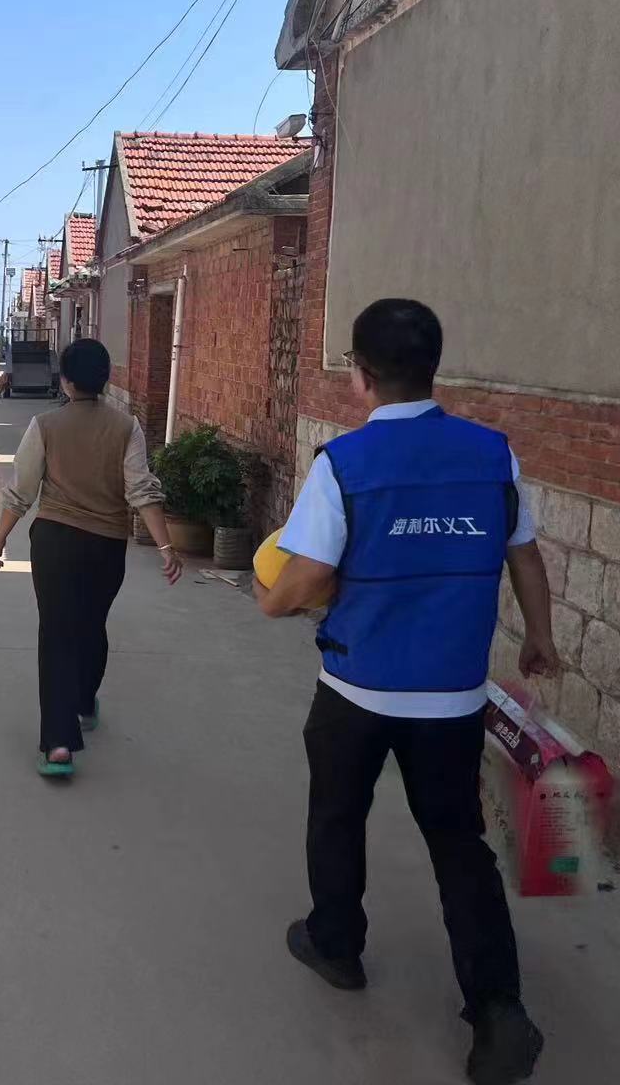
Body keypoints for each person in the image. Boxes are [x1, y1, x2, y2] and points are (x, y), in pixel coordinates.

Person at [256, 298, 556, 1085]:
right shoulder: (491, 454)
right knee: (458, 845)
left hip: (356, 687)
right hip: (451, 697)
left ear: (359, 375)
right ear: (432, 368)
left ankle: (335, 945)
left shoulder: (344, 464)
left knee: (336, 817)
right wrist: (539, 636)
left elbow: (308, 573)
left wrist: (271, 600)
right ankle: (497, 1009)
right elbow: (523, 554)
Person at [0, 339, 183, 777]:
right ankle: (83, 702)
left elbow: (22, 489)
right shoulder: (127, 427)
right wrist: (166, 547)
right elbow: (141, 489)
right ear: (106, 379)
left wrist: (0, 538)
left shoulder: (44, 425)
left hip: (55, 542)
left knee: (57, 634)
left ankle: (58, 744)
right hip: (105, 545)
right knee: (92, 625)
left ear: (66, 381)